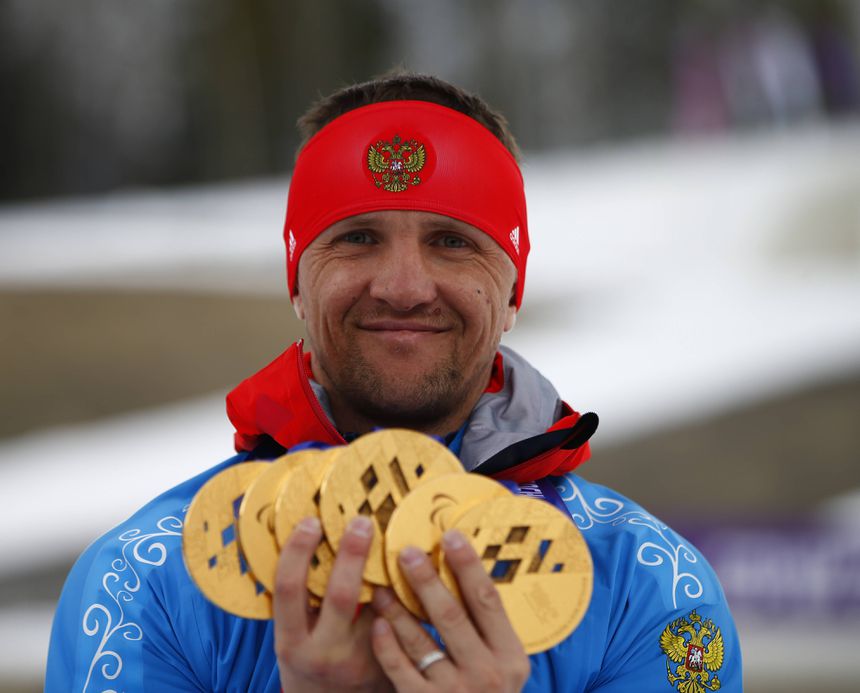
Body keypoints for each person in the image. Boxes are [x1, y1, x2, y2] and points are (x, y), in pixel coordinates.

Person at [46, 73, 742, 692]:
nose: (403, 287)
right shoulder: (149, 581)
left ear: (512, 292)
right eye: (357, 237)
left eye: (452, 241)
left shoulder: (646, 590)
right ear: (298, 281)